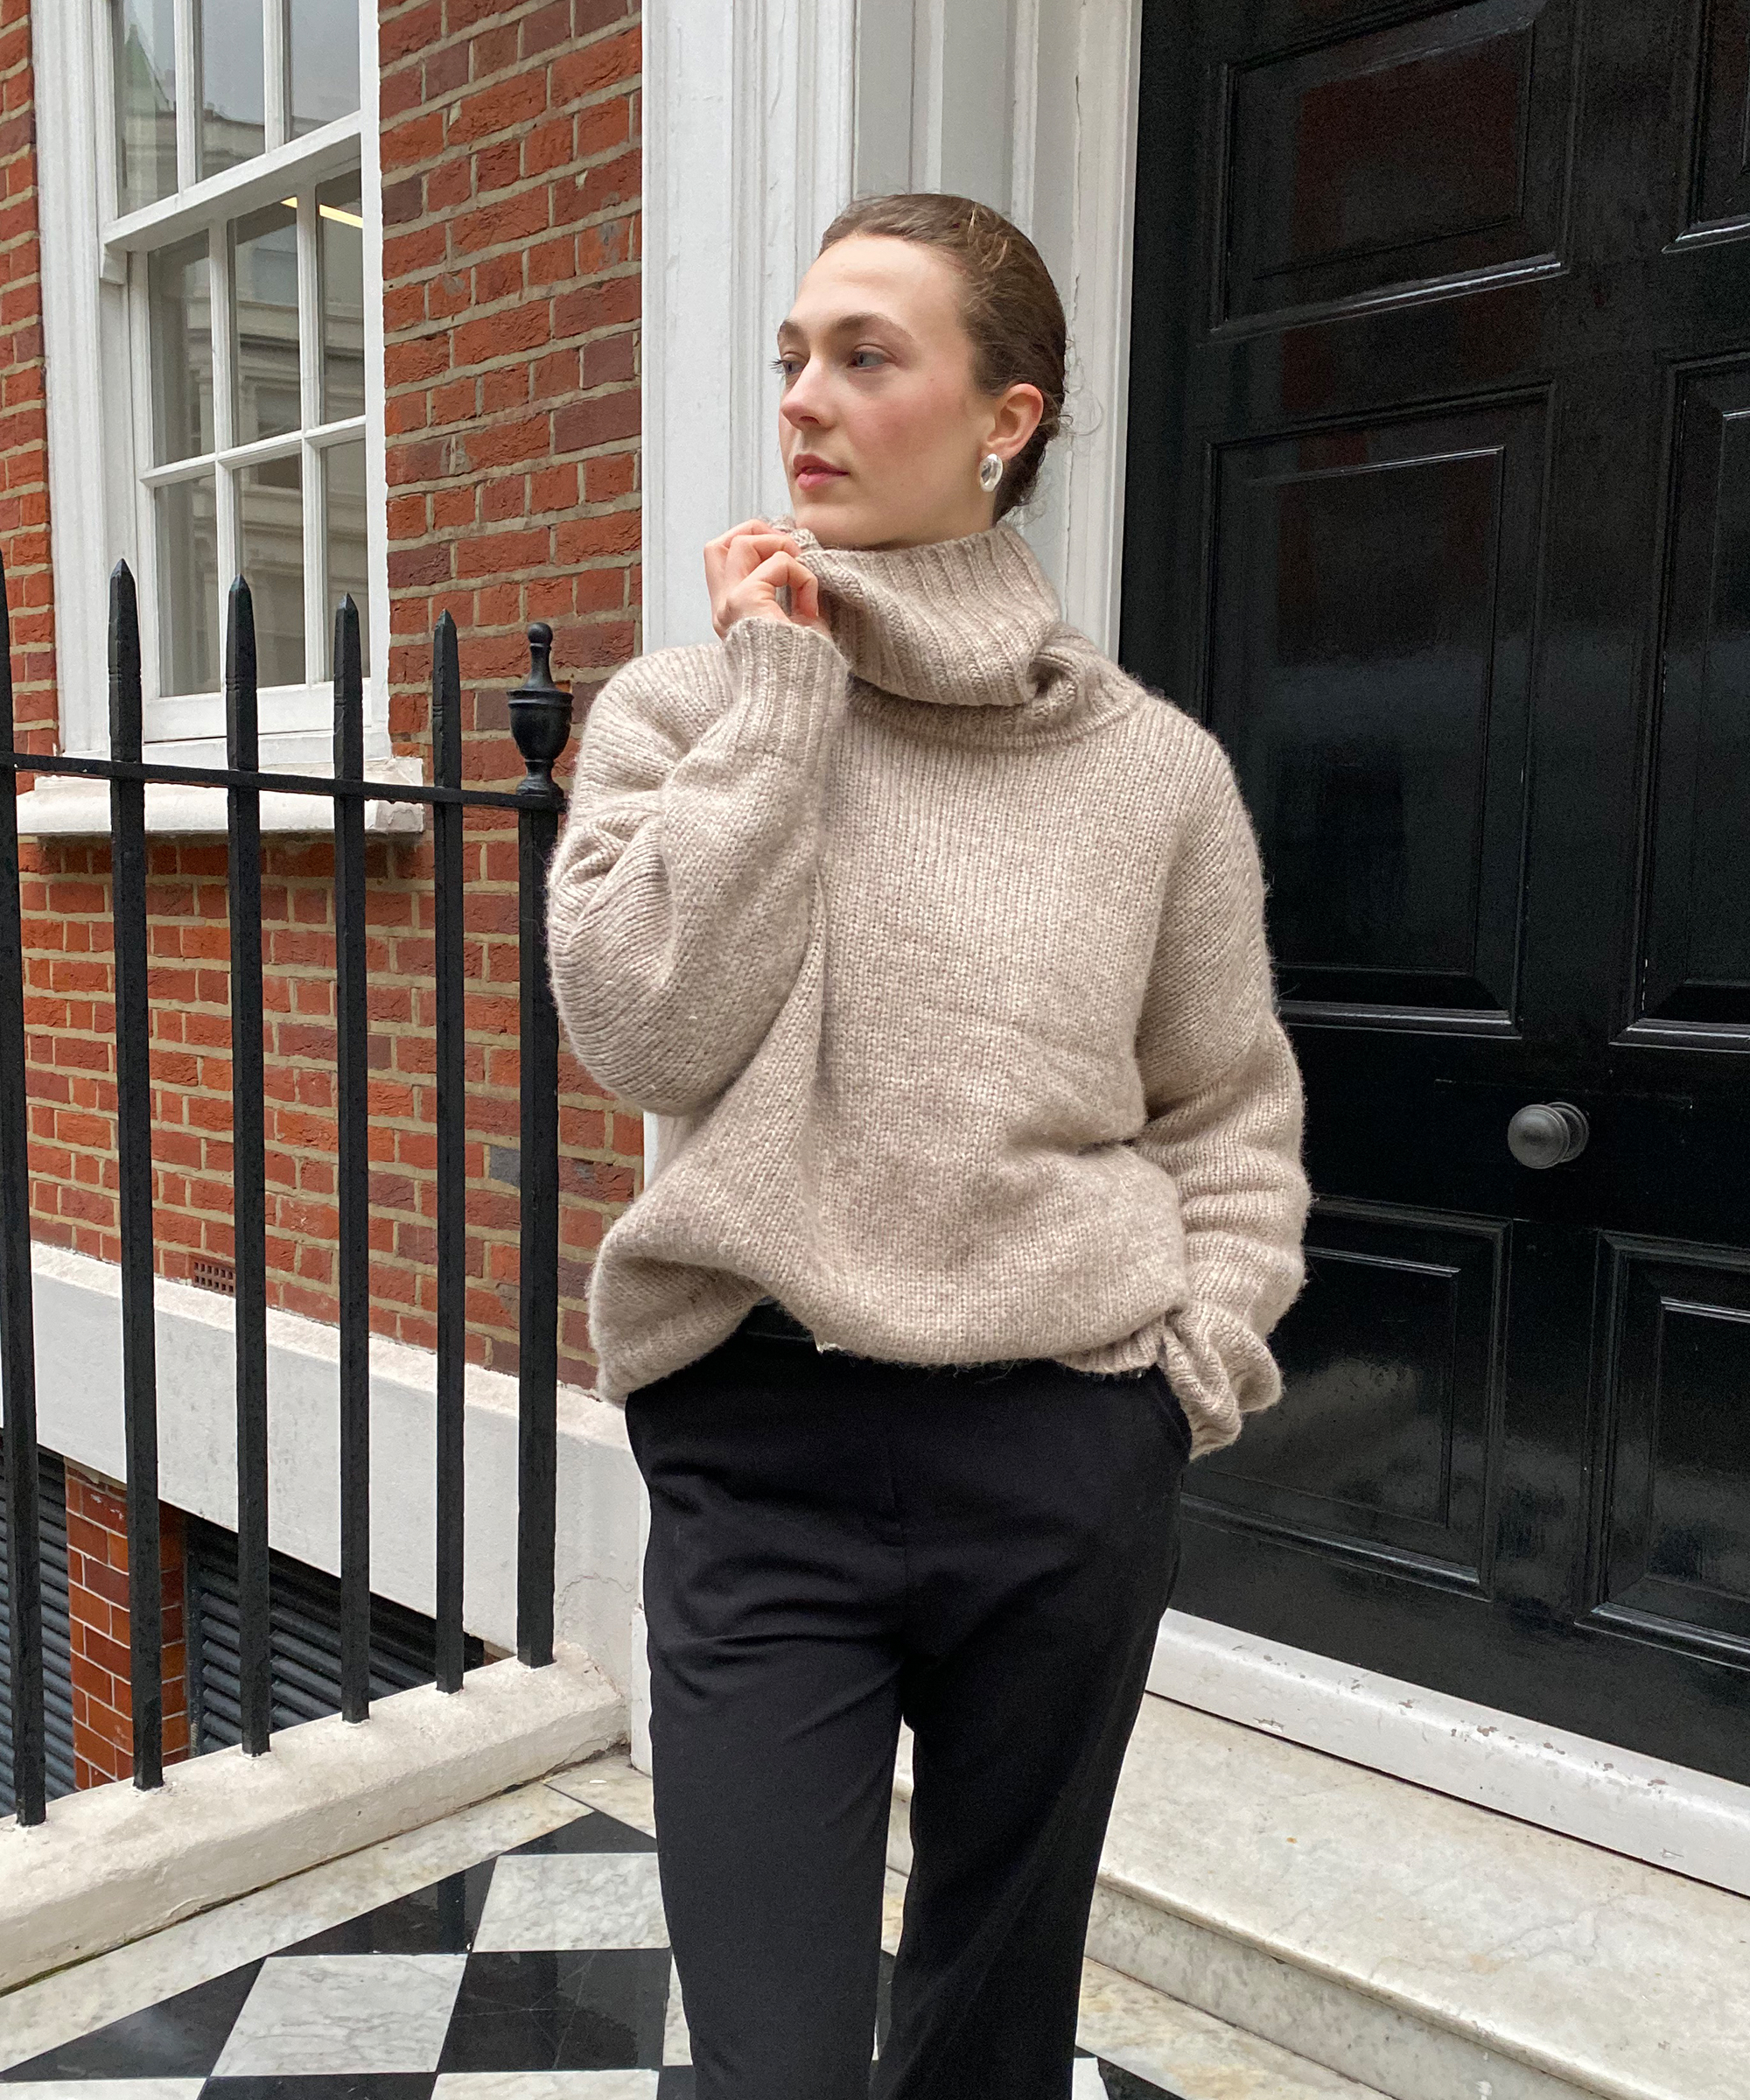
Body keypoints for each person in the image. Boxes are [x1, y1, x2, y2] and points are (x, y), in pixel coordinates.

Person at [544, 192, 1310, 2100]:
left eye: (865, 355)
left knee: (991, 2032)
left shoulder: (1156, 776)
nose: (802, 397)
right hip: (764, 1452)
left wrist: (1178, 1382)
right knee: (777, 2059)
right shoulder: (685, 710)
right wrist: (784, 695)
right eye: (793, 354)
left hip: (1061, 1450)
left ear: (1004, 418)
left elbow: (1226, 1107)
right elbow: (643, 1025)